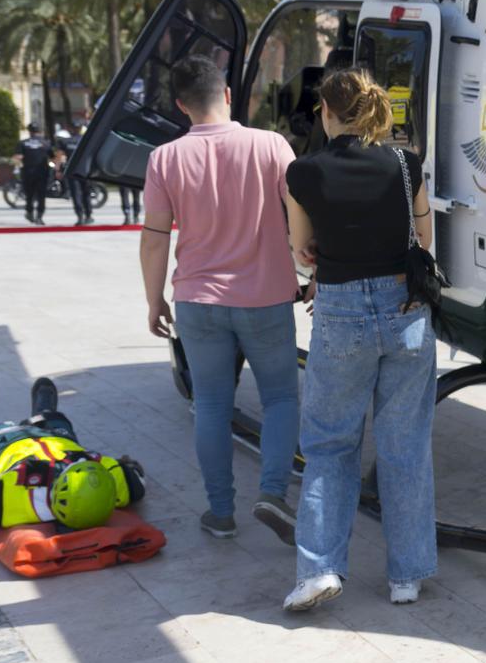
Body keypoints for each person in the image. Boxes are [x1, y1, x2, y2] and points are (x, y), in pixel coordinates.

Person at [275, 69, 437, 610]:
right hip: (406, 309)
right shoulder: (404, 161)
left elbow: (303, 250)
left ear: (326, 112)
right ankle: (406, 577)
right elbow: (423, 233)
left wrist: (324, 252)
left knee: (329, 444)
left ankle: (320, 569)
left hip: (340, 309)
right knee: (405, 445)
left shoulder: (303, 173)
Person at [139, 55, 301, 541]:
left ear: (181, 105)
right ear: (228, 93)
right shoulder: (272, 145)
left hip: (197, 299)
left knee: (210, 403)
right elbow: (301, 210)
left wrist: (154, 300)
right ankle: (272, 493)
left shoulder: (163, 158)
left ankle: (221, 512)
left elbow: (154, 236)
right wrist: (311, 267)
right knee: (279, 397)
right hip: (267, 295)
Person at [0, 376, 144, 530]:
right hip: (58, 441)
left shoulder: (14, 497)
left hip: (1, 444)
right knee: (57, 423)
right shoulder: (117, 481)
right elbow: (137, 477)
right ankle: (44, 412)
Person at [16, 127, 52, 225]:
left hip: (28, 173)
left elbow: (18, 157)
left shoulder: (23, 143)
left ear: (30, 131)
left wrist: (17, 169)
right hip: (42, 173)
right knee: (41, 196)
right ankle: (39, 217)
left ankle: (29, 212)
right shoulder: (46, 143)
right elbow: (52, 156)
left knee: (29, 195)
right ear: (40, 132)